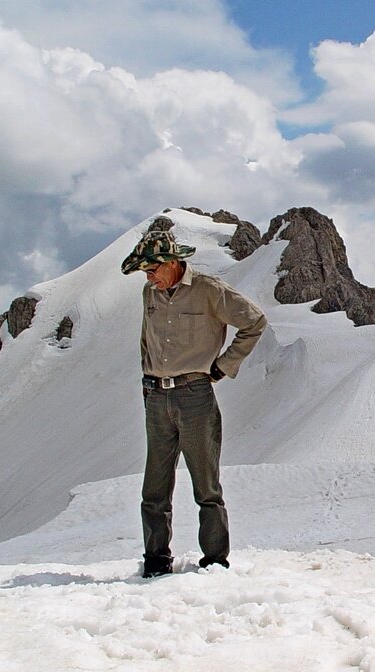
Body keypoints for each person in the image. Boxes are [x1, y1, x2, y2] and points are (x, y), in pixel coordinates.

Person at [121, 216, 268, 578]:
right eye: (144, 273)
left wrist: (222, 367)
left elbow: (255, 322)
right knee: (154, 488)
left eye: (152, 270)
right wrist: (147, 377)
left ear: (172, 264)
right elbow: (147, 338)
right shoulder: (149, 293)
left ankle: (215, 562)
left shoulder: (208, 290)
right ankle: (156, 562)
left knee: (206, 486)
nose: (149, 278)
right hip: (156, 397)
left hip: (195, 396)